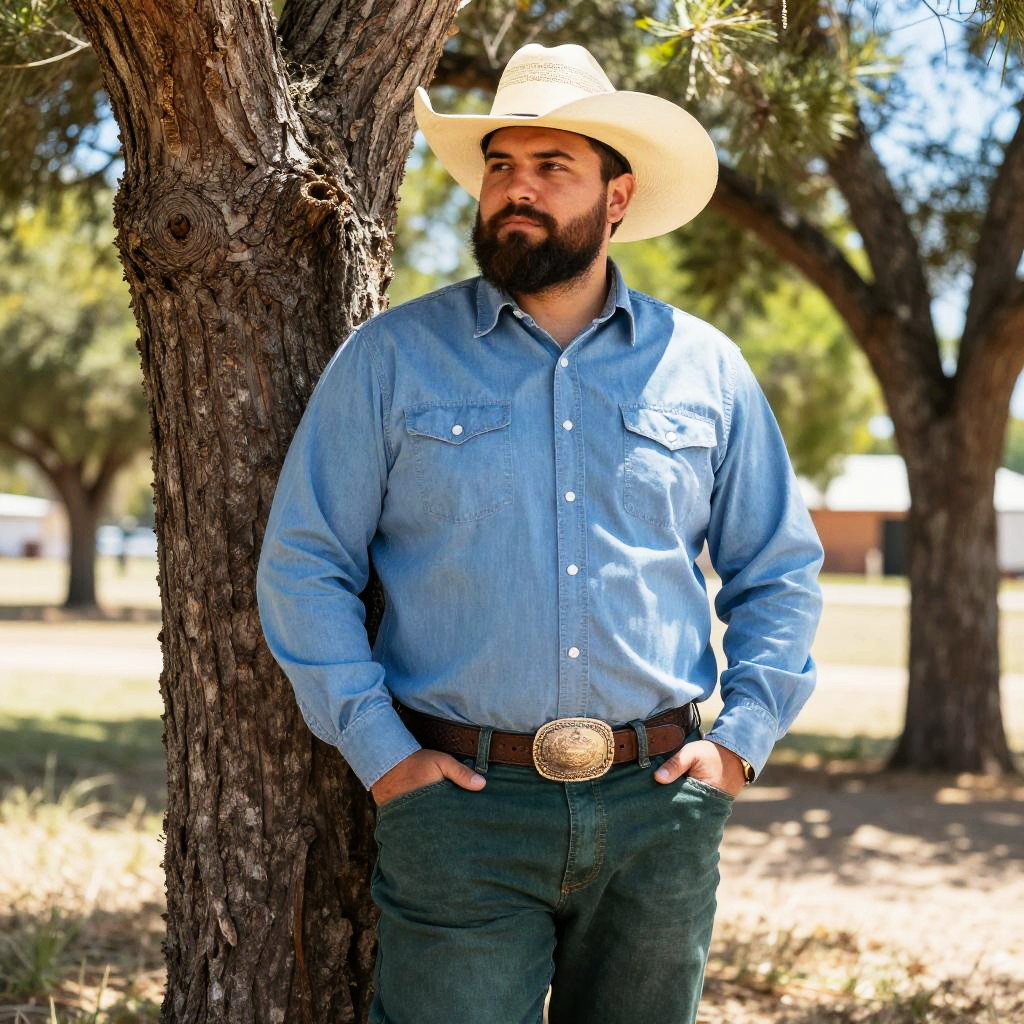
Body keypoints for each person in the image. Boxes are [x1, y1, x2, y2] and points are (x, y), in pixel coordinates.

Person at [257, 42, 823, 1024]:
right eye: (499, 167)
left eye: (551, 167)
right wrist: (384, 755)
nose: (517, 189)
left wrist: (737, 745)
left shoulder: (705, 370)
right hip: (461, 811)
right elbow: (305, 563)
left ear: (615, 198)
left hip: (659, 806)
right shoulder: (391, 360)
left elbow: (776, 570)